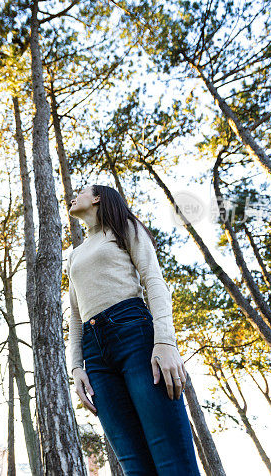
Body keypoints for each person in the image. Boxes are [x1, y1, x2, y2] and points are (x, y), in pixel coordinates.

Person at [66, 184, 200, 475]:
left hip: (135, 335)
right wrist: (76, 367)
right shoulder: (73, 257)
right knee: (134, 467)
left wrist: (165, 342)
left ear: (98, 197)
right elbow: (74, 315)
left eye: (81, 191)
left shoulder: (125, 227)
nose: (72, 197)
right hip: (95, 355)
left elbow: (154, 280)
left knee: (171, 459)